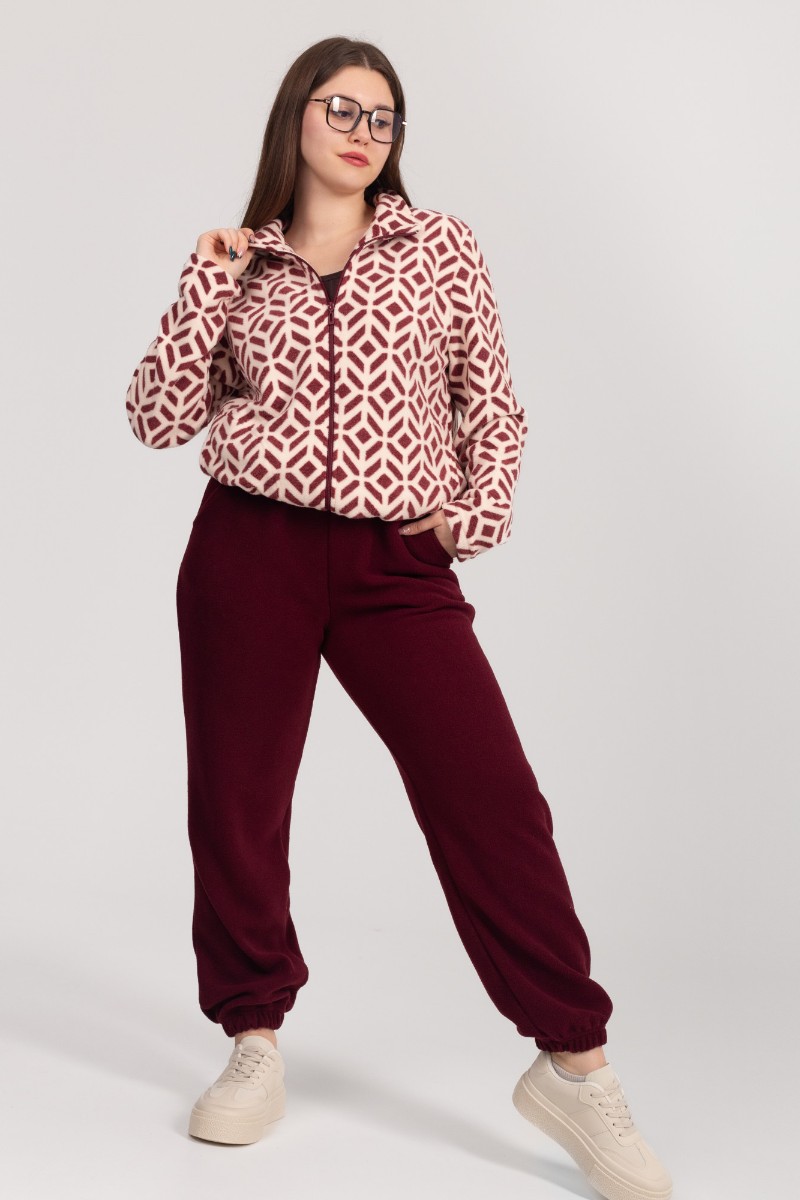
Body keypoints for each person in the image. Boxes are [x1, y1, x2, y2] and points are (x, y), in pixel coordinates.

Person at [125, 34, 672, 1200]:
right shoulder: (244, 261)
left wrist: (466, 518)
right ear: (296, 115)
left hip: (394, 564)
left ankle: (573, 1064)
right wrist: (206, 280)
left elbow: (493, 405)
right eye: (342, 108)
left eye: (382, 116)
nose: (363, 132)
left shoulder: (438, 247)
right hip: (248, 549)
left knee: (492, 800)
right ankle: (252, 1036)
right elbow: (156, 416)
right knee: (236, 801)